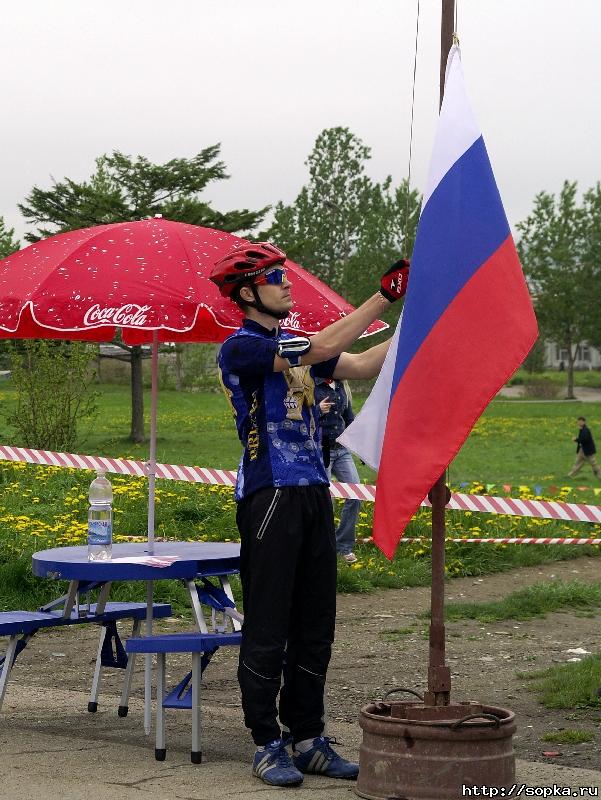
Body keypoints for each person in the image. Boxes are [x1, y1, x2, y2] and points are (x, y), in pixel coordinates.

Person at [210, 242, 409, 788]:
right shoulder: (242, 347)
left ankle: (309, 737)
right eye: (277, 277)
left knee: (316, 623)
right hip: (268, 493)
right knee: (270, 623)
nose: (287, 283)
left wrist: (419, 319)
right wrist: (383, 297)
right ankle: (266, 742)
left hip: (314, 491)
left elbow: (364, 363)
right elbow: (324, 344)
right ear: (249, 292)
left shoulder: (295, 345)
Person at [315, 377, 361, 563]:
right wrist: (318, 410)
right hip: (321, 449)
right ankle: (323, 546)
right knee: (326, 500)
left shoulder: (342, 385)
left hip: (342, 450)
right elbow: (302, 415)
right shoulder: (312, 383)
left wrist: (361, 446)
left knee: (356, 494)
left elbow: (349, 417)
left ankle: (343, 546)